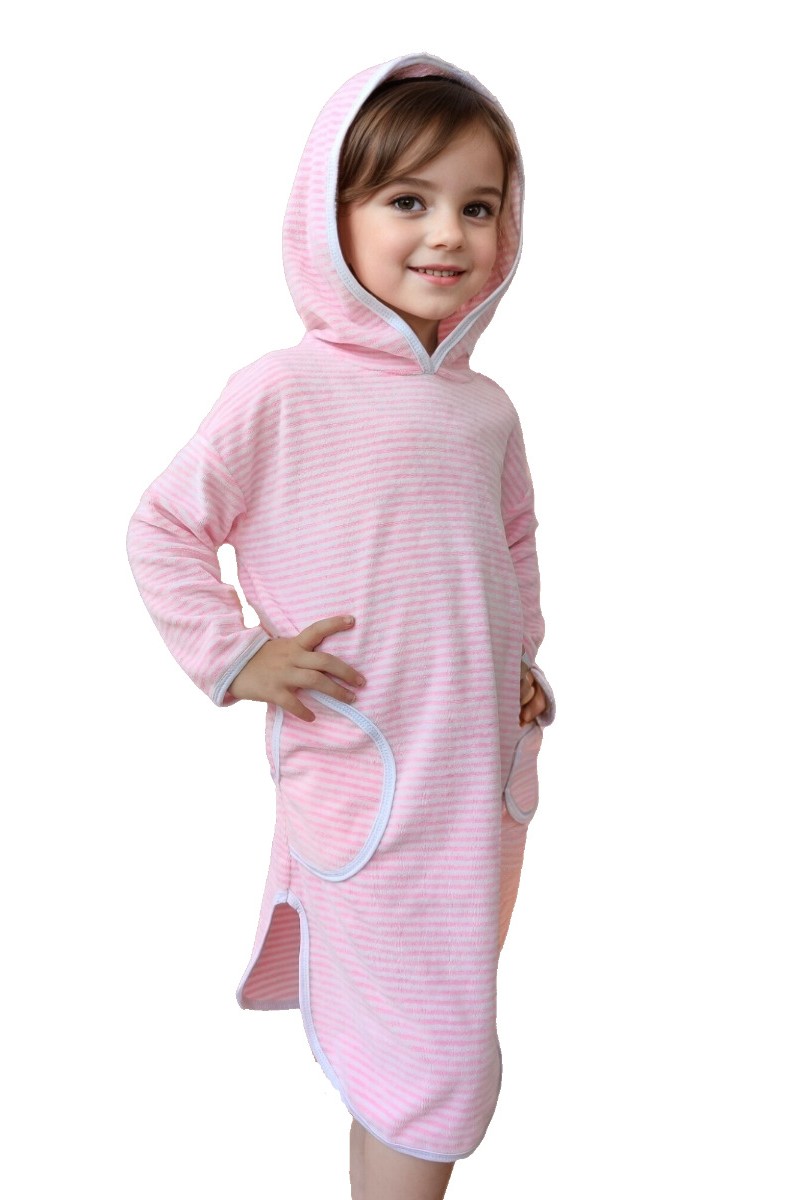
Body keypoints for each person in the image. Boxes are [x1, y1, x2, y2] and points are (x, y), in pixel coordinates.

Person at [126, 52, 557, 1200]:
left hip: (470, 783)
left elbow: (510, 543)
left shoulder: (485, 411)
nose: (447, 233)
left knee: (419, 1043)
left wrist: (521, 658)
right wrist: (236, 657)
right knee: (434, 1063)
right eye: (407, 200)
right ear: (330, 216)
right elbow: (165, 526)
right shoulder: (283, 389)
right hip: (369, 779)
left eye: (478, 207)